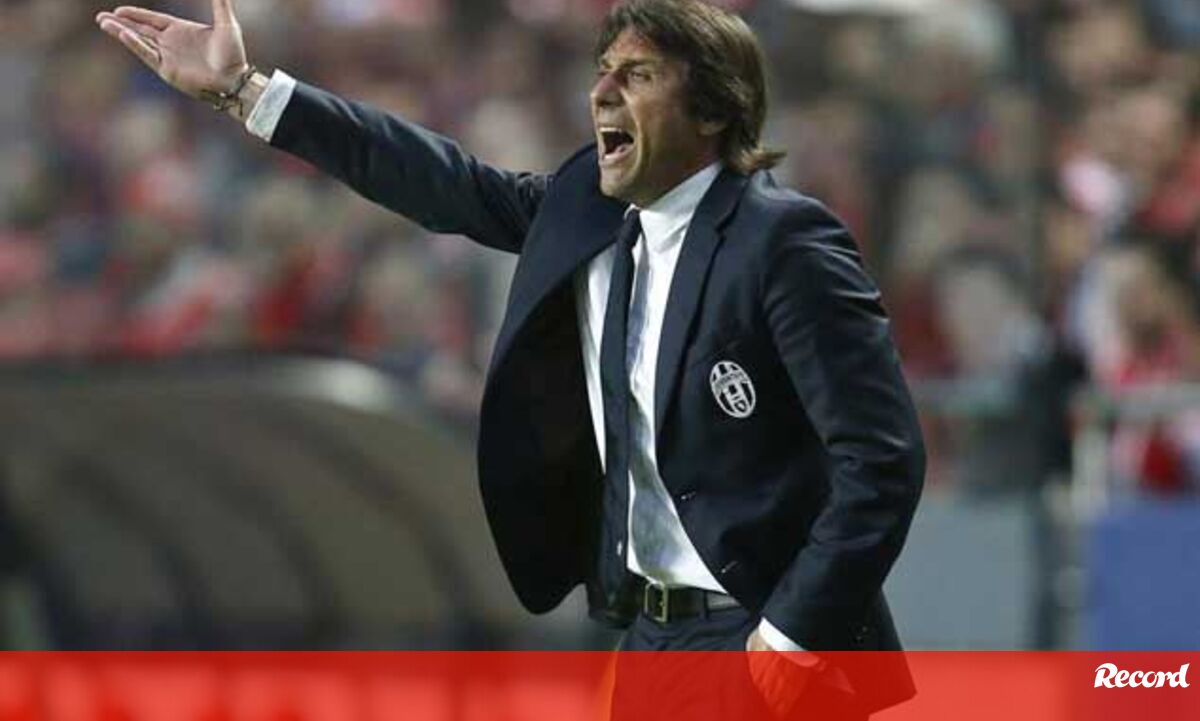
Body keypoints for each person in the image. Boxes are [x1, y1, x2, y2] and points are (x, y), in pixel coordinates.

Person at [95, 0, 925, 717]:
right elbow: (437, 179)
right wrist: (247, 92)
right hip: (650, 636)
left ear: (713, 109)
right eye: (603, 71)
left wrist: (792, 636)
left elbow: (882, 460)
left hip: (764, 632)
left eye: (637, 75)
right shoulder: (589, 210)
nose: (602, 91)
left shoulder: (784, 243)